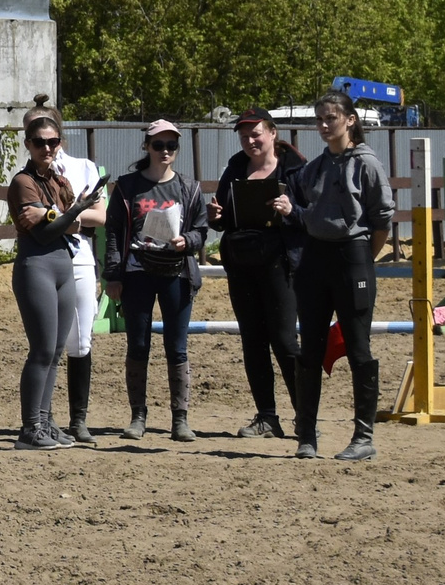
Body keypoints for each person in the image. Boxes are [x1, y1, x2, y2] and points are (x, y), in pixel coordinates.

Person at [287, 90, 393, 461]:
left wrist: (362, 257)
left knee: (358, 348)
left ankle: (363, 436)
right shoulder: (314, 168)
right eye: (318, 119)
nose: (323, 125)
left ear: (349, 120)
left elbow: (382, 221)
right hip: (315, 259)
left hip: (352, 258)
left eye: (329, 118)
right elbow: (305, 212)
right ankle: (307, 434)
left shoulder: (366, 164)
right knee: (310, 349)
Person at [6, 112, 107, 450]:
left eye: (52, 142)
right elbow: (47, 231)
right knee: (42, 349)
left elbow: (86, 222)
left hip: (65, 265)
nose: (46, 148)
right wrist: (68, 213)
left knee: (56, 352)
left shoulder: (57, 180)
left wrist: (62, 213)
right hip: (38, 265)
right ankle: (30, 427)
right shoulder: (24, 182)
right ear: (28, 145)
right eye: (39, 143)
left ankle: (46, 420)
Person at [104, 119, 210, 442]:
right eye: (159, 145)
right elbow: (112, 231)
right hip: (136, 273)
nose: (165, 152)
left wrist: (187, 242)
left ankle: (180, 418)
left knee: (177, 348)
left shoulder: (189, 188)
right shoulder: (127, 186)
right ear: (146, 147)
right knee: (138, 345)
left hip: (176, 274)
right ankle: (138, 416)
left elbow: (201, 230)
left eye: (171, 146)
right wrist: (112, 274)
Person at [211, 109, 304, 440]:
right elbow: (223, 216)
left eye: (256, 134)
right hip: (241, 263)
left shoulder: (296, 170)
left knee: (283, 340)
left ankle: (305, 414)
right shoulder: (236, 167)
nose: (250, 141)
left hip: (281, 264)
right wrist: (216, 216)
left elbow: (309, 216)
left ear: (273, 133)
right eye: (244, 136)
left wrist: (291, 212)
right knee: (253, 340)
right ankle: (267, 416)